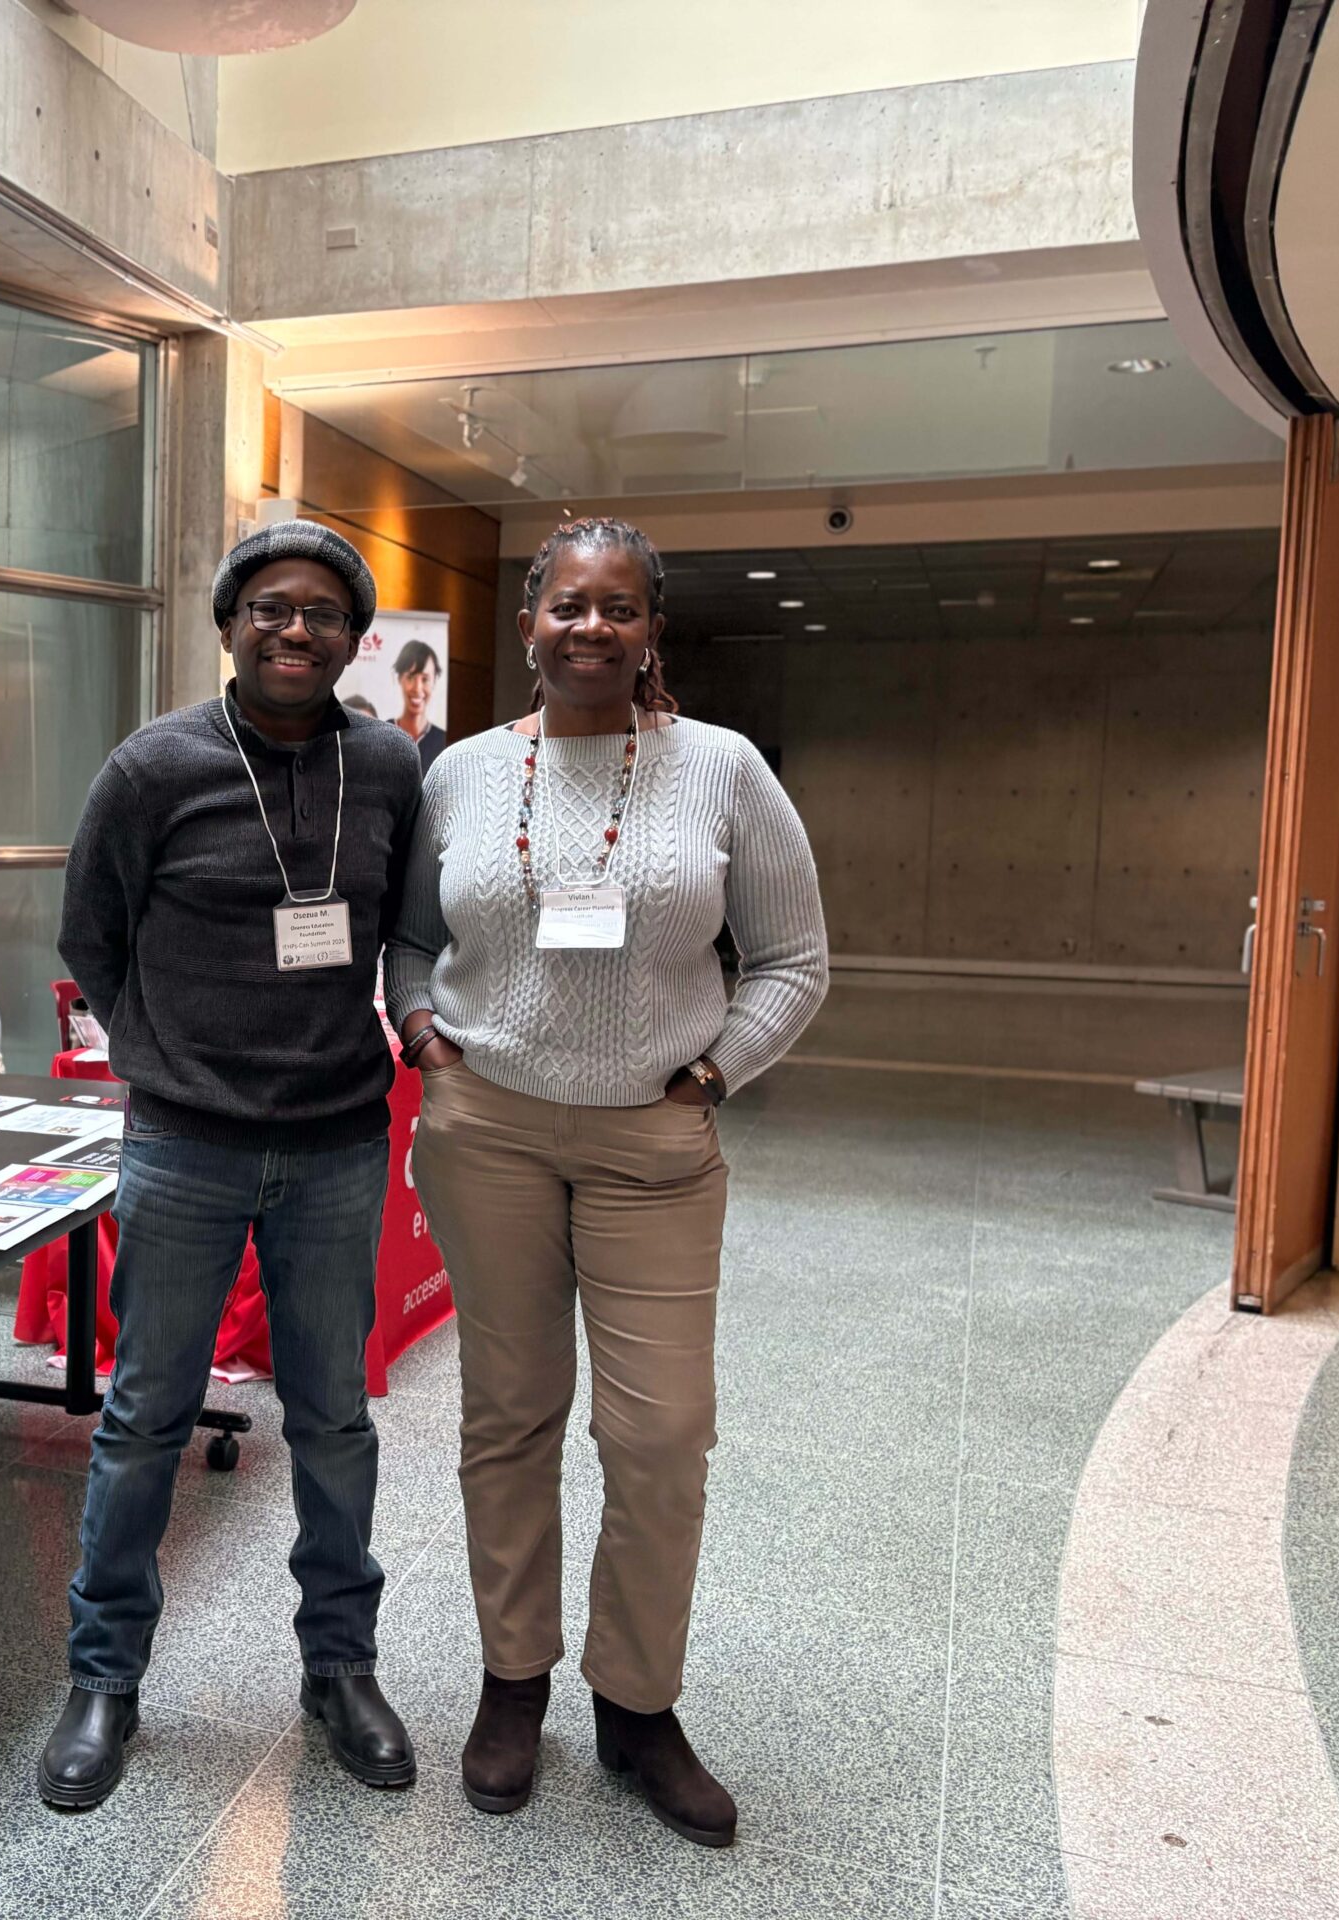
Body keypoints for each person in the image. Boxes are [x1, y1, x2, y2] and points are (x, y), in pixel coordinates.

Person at [386, 518, 827, 1846]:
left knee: (661, 1437)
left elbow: (794, 958)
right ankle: (512, 1682)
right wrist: (422, 1033)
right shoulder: (462, 774)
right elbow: (407, 939)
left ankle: (636, 1706)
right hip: (489, 1133)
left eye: (618, 608)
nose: (592, 628)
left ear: (650, 632)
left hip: (652, 1145)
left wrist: (717, 1071)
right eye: (568, 606)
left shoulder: (721, 769)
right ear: (529, 623)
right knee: (509, 1417)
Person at [45, 521, 424, 1811]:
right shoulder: (153, 767)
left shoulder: (388, 767)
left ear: (354, 640)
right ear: (228, 625)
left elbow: (405, 926)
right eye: (269, 607)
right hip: (183, 1144)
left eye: (322, 611)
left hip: (336, 1144)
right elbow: (90, 935)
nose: (294, 628)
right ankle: (104, 1679)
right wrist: (170, 1054)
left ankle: (341, 1668)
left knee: (333, 1422)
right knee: (143, 1418)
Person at [392, 638, 447, 770]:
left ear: (435, 681)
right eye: (410, 677)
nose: (417, 688)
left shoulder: (443, 741)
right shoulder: (381, 735)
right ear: (399, 679)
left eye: (425, 679)